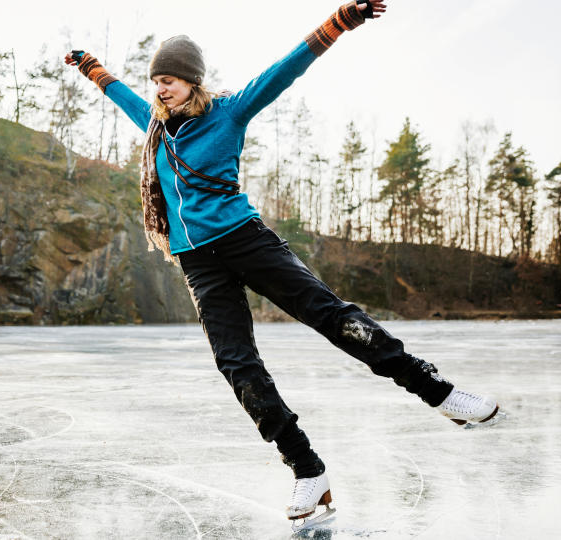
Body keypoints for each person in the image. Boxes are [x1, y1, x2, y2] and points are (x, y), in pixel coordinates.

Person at [65, 0, 500, 530]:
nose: (161, 88)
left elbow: (287, 67)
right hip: (197, 262)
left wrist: (340, 22)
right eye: (157, 79)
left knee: (332, 317)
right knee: (236, 364)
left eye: (172, 79)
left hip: (246, 241)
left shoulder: (228, 111)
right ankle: (306, 468)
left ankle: (441, 393)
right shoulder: (154, 126)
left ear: (193, 82)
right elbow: (118, 93)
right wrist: (91, 66)